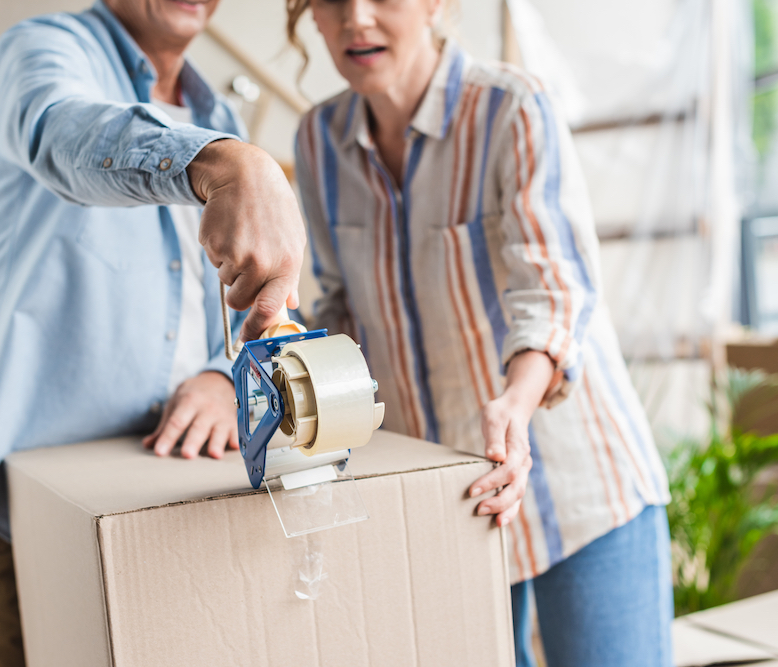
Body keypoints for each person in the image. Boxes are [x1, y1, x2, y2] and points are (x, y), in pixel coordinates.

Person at [288, 0, 674, 665]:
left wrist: (515, 405)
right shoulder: (317, 142)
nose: (356, 19)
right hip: (448, 508)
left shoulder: (512, 109)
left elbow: (553, 292)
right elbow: (336, 311)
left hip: (579, 491)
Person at [0, 1, 305, 665]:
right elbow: (63, 135)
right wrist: (219, 162)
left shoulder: (216, 115)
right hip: (20, 513)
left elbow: (222, 312)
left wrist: (222, 378)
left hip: (165, 501)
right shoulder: (45, 50)